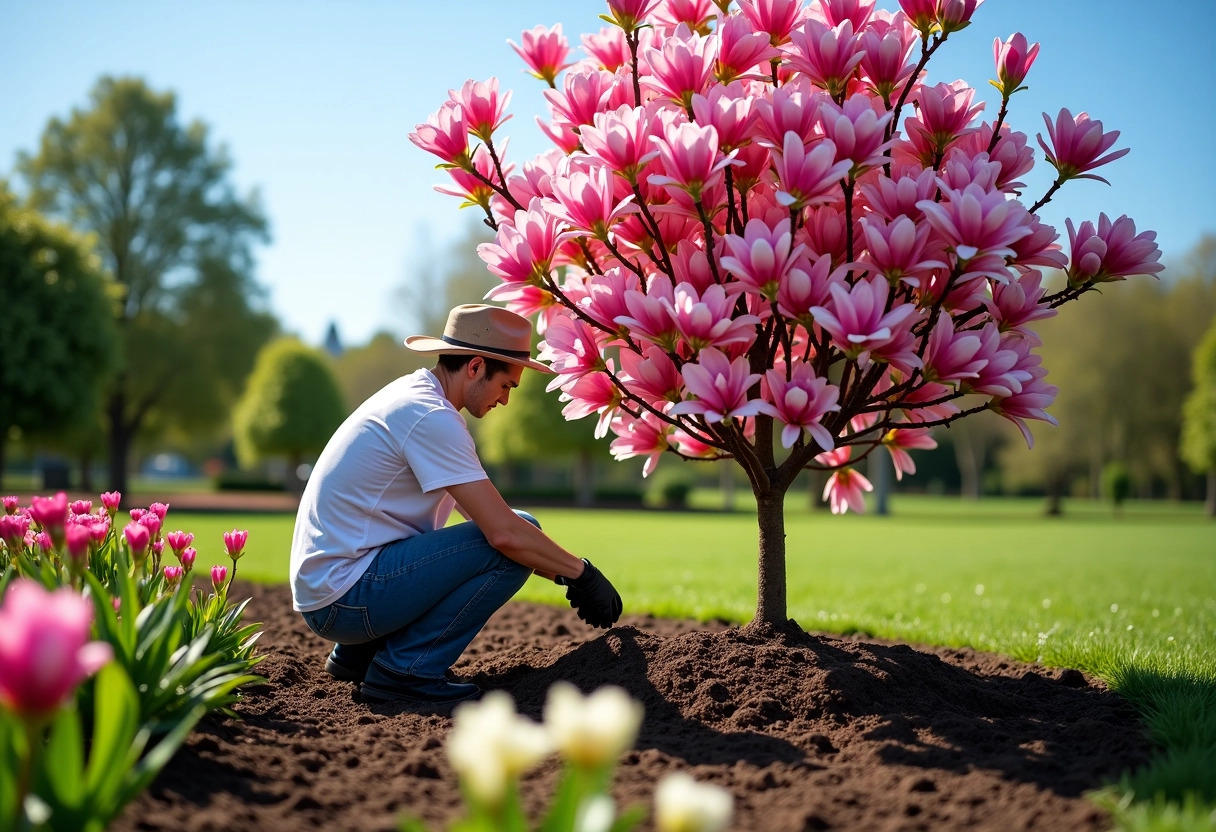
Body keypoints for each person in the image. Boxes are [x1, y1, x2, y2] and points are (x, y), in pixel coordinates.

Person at [289, 304, 623, 706]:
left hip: (336, 592)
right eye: (507, 386)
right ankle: (404, 673)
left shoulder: (415, 399)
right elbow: (503, 534)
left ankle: (360, 654)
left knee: (517, 535)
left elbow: (484, 523)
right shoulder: (430, 417)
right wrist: (581, 573)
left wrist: (562, 575)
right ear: (476, 366)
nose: (505, 401)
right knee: (517, 534)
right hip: (346, 601)